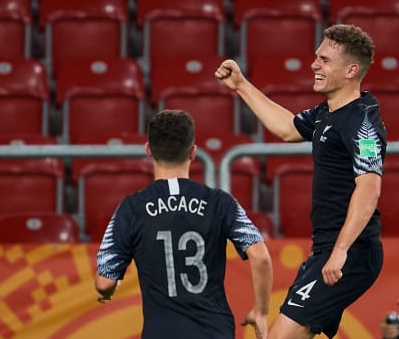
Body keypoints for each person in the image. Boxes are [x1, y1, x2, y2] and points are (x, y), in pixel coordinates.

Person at [215, 24, 386, 338]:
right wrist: (241, 85)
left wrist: (340, 251)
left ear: (351, 70)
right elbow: (287, 128)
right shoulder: (328, 112)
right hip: (325, 249)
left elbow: (369, 189)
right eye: (316, 57)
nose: (314, 65)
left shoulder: (362, 123)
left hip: (352, 253)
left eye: (324, 60)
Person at [94, 109, 273, 339]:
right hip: (215, 332)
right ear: (193, 152)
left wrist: (109, 290)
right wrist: (261, 312)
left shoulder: (131, 208)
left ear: (148, 149)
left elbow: (105, 281)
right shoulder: (220, 202)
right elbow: (261, 257)